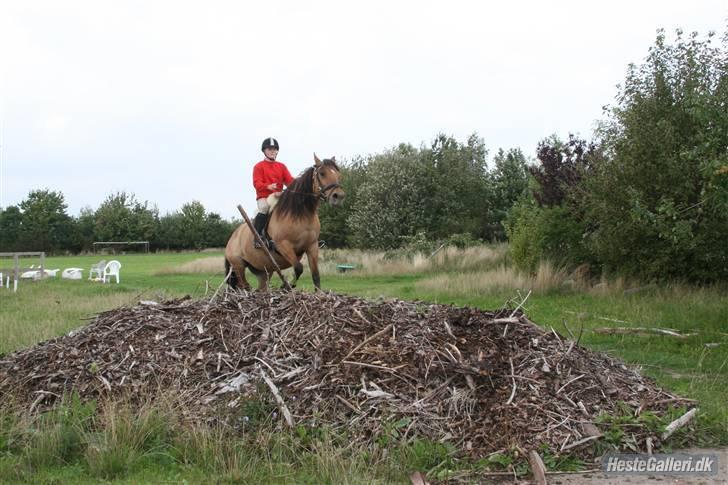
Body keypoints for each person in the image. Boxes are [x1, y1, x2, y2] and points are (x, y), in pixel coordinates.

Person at [252, 137, 294, 248]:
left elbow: (290, 181)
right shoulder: (258, 166)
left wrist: (301, 184)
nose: (272, 151)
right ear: (264, 151)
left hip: (279, 197)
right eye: (269, 149)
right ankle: (258, 238)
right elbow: (257, 184)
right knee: (265, 208)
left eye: (275, 149)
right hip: (264, 197)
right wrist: (268, 186)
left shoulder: (281, 166)